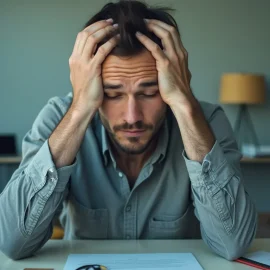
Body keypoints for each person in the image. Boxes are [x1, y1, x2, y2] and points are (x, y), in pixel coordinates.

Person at [0, 0, 257, 261]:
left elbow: (231, 243)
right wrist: (79, 109)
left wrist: (184, 102)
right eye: (112, 94)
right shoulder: (59, 118)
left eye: (149, 92)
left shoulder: (207, 122)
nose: (132, 117)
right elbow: (12, 242)